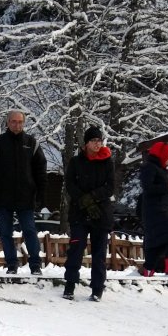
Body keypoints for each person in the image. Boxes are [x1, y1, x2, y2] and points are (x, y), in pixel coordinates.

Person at [0, 110, 47, 275]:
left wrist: (40, 194)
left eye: (20, 122)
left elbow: (41, 172)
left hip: (26, 197)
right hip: (3, 197)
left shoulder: (32, 143)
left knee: (30, 231)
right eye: (14, 122)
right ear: (8, 123)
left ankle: (35, 265)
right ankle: (11, 264)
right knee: (5, 232)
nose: (17, 125)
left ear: (24, 123)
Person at [62, 126, 115, 301]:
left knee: (99, 253)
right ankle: (70, 284)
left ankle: (97, 288)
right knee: (76, 248)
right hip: (79, 213)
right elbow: (69, 184)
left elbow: (110, 187)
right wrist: (83, 200)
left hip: (101, 214)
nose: (97, 144)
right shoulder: (76, 162)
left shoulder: (107, 162)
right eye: (93, 141)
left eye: (99, 141)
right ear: (86, 144)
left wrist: (93, 198)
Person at [139, 142, 168, 276]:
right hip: (154, 211)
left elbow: (159, 189)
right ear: (161, 155)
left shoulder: (160, 169)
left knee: (159, 238)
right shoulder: (149, 168)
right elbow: (148, 188)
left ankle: (149, 268)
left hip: (161, 209)